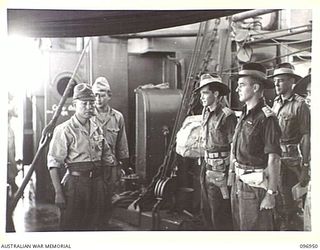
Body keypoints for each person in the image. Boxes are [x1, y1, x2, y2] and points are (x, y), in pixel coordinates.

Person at [47, 83, 116, 231]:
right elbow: (53, 163)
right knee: (73, 226)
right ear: (74, 104)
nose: (89, 107)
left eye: (91, 104)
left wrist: (107, 186)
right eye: (84, 104)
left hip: (97, 185)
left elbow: (108, 158)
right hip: (76, 185)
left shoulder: (98, 128)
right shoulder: (64, 130)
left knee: (97, 226)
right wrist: (59, 193)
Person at [229, 62, 282, 231]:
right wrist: (231, 173)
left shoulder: (267, 118)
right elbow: (235, 146)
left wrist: (271, 194)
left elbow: (274, 160)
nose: (237, 89)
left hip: (255, 187)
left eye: (242, 85)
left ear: (256, 88)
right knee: (241, 230)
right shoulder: (244, 113)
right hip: (239, 183)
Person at [194, 73, 237, 230]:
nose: (202, 97)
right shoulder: (206, 112)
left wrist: (231, 173)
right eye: (201, 94)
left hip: (221, 170)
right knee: (206, 210)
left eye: (205, 93)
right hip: (207, 167)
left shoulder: (227, 116)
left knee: (219, 214)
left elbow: (234, 146)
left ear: (216, 93)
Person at [270, 63, 310, 230]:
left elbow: (307, 136)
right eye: (275, 81)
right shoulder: (276, 103)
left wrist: (305, 166)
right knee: (277, 199)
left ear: (291, 82)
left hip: (292, 160)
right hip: (276, 158)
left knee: (290, 202)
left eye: (280, 81)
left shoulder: (300, 105)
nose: (276, 84)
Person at [91, 76, 129, 225]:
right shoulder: (88, 116)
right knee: (93, 202)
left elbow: (122, 144)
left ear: (109, 95)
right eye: (95, 95)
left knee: (109, 201)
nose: (98, 99)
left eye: (102, 94)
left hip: (111, 167)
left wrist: (122, 167)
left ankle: (104, 228)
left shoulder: (117, 117)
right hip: (93, 167)